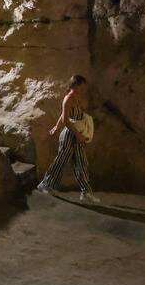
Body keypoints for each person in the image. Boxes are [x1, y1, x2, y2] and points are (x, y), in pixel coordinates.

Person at [36, 75, 100, 203]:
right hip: (70, 135)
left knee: (81, 163)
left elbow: (63, 115)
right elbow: (66, 119)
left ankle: (86, 193)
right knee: (61, 161)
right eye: (82, 87)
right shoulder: (68, 98)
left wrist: (56, 127)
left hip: (76, 135)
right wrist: (77, 134)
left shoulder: (75, 98)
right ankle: (46, 184)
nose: (83, 90)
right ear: (75, 85)